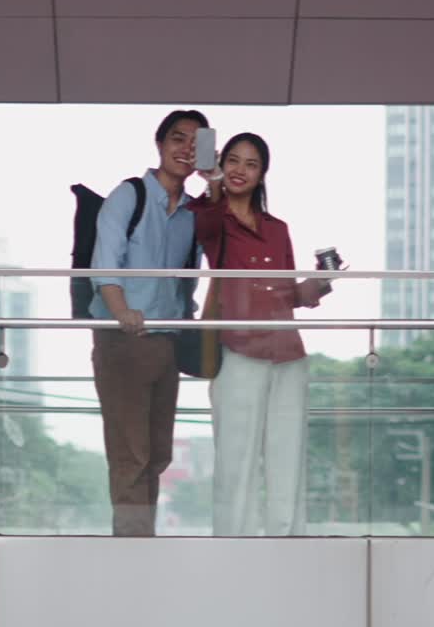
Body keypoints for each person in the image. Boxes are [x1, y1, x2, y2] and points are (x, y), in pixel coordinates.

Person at [189, 132, 337, 536]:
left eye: (251, 164)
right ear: (221, 165)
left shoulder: (278, 229)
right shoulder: (212, 216)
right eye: (233, 160)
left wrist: (323, 281)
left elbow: (289, 294)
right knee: (236, 460)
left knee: (288, 457)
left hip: (287, 351)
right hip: (238, 350)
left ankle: (287, 543)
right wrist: (212, 181)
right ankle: (234, 548)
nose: (240, 170)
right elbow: (204, 222)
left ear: (262, 174)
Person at [90, 109, 209, 536]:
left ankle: (143, 539)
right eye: (178, 139)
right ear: (159, 144)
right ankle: (130, 548)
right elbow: (105, 264)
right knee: (131, 454)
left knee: (157, 454)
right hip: (124, 340)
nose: (186, 149)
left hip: (167, 342)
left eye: (198, 143)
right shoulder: (130, 195)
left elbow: (224, 241)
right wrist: (122, 311)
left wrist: (213, 178)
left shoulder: (195, 212)